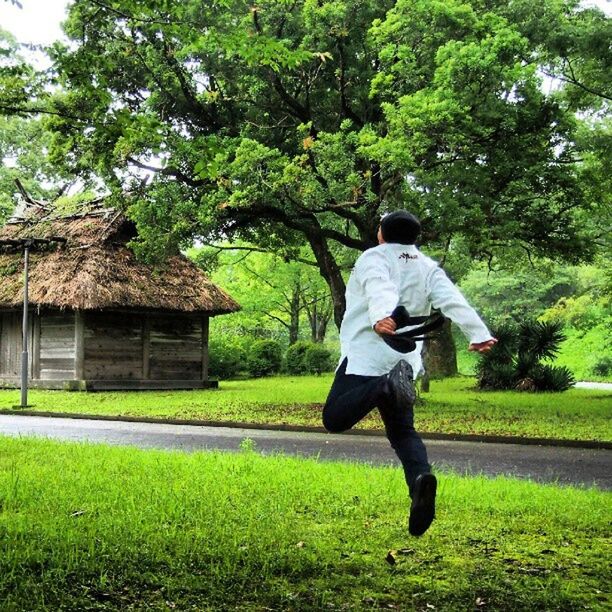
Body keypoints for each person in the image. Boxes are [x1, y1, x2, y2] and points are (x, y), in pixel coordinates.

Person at [323, 211, 497, 536]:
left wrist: (382, 316)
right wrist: (478, 332)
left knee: (334, 419)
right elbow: (452, 299)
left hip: (368, 356)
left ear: (381, 235)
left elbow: (380, 286)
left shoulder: (373, 257)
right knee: (403, 433)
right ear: (415, 238)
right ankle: (420, 480)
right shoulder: (427, 265)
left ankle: (382, 387)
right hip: (405, 362)